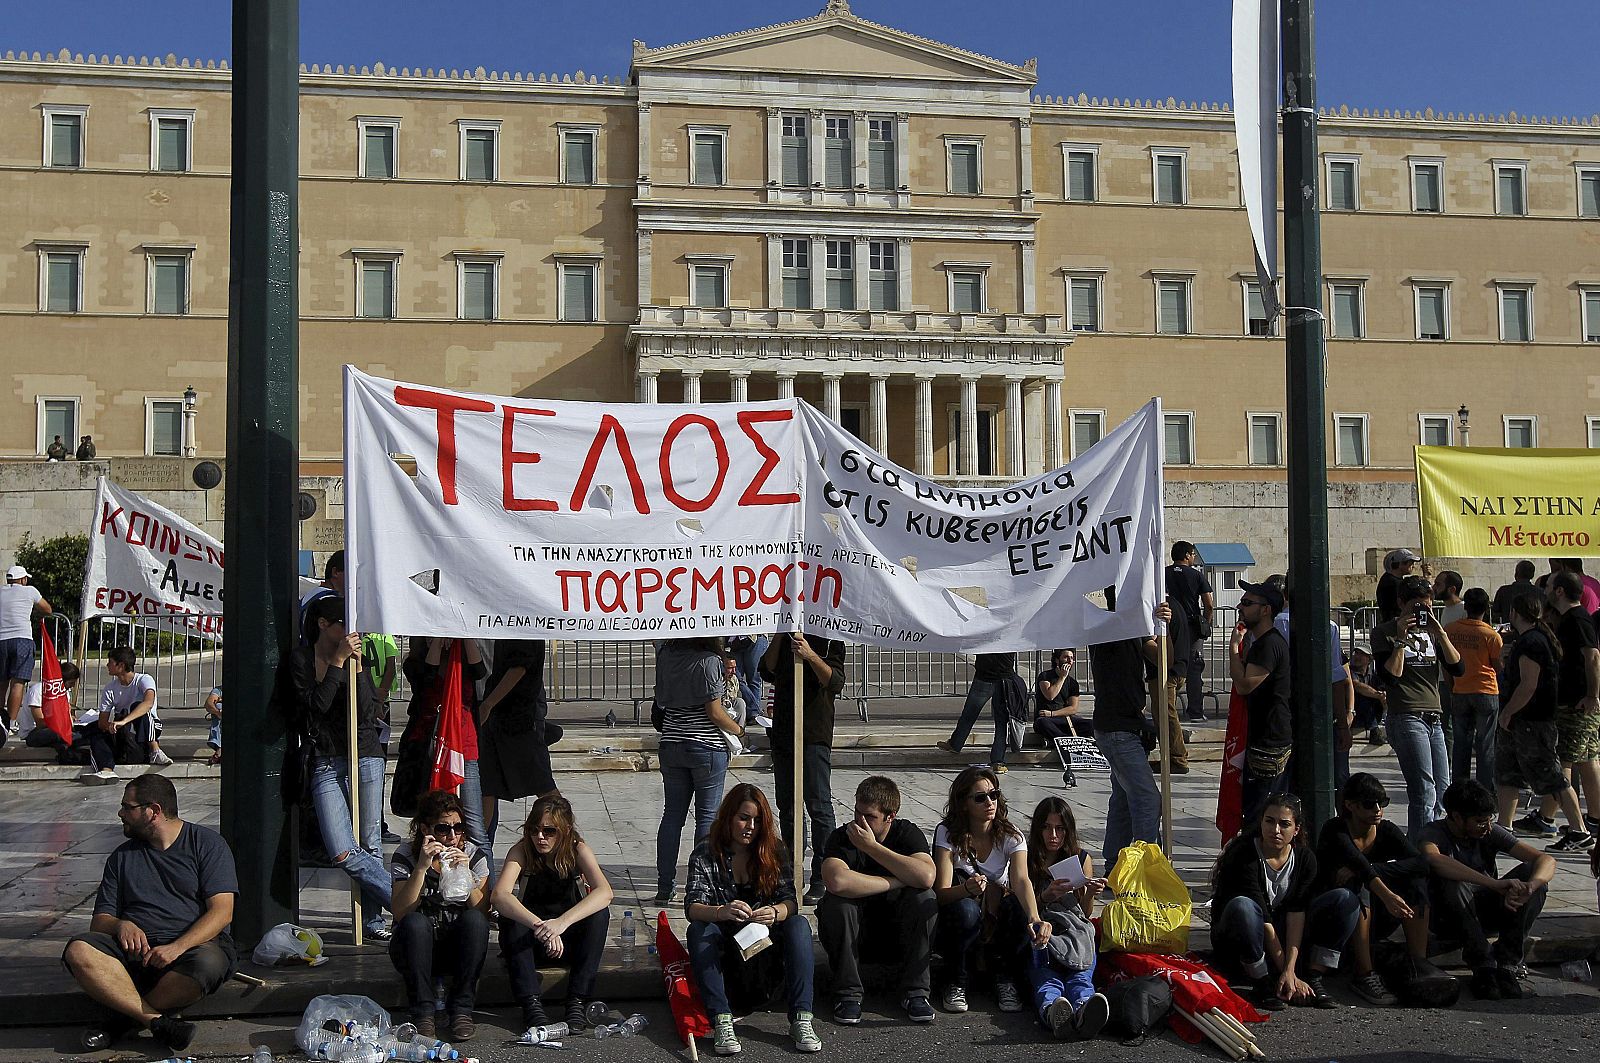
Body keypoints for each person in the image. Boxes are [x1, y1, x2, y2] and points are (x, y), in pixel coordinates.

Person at [62, 774, 238, 1053]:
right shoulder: (121, 857)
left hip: (188, 951)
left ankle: (120, 1021)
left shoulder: (207, 844)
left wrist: (176, 947)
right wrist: (121, 926)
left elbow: (222, 913)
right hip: (136, 954)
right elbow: (100, 922)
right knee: (79, 950)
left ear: (153, 811)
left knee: (209, 963)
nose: (121, 813)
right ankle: (155, 1020)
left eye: (127, 807)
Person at [685, 782, 821, 1055]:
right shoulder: (706, 850)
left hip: (764, 951)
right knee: (699, 930)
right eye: (743, 818)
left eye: (757, 821)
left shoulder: (773, 849)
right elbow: (692, 906)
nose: (750, 827)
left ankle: (802, 1018)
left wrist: (775, 912)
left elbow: (790, 900)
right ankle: (722, 1020)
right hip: (727, 953)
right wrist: (721, 911)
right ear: (729, 817)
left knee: (798, 924)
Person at [290, 593, 393, 940]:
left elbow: (366, 711)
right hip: (325, 757)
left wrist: (359, 667)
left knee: (370, 841)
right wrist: (335, 664)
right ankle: (408, 902)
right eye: (343, 624)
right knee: (343, 849)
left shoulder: (354, 659)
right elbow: (315, 708)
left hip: (363, 752)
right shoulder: (303, 659)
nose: (352, 632)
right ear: (324, 625)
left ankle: (373, 920)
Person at [1419, 780, 1556, 1000]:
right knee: (1453, 883)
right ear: (1456, 817)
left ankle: (1508, 964)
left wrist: (1531, 886)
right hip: (1448, 917)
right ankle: (1482, 965)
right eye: (1480, 821)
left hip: (1484, 913)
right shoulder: (1433, 833)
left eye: (1489, 820)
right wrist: (1493, 883)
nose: (1487, 827)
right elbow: (1434, 860)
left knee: (1533, 876)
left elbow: (1545, 860)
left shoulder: (1489, 832)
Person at [817, 775, 938, 1025]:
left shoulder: (907, 833)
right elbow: (837, 880)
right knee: (837, 904)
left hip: (897, 932)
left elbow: (926, 876)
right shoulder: (843, 837)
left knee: (925, 898)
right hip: (859, 935)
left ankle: (915, 993)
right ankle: (848, 994)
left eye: (870, 817)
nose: (860, 822)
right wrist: (897, 880)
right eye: (857, 812)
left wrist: (872, 848)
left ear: (889, 816)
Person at [931, 766, 1050, 1016]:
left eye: (994, 795)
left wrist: (1035, 918)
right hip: (961, 914)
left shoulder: (1011, 835)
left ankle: (1006, 979)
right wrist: (965, 889)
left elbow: (1021, 880)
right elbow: (941, 892)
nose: (990, 802)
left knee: (1019, 906)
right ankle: (956, 981)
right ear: (964, 803)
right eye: (980, 797)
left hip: (997, 912)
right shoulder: (947, 833)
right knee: (965, 910)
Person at [1209, 794, 1344, 1011]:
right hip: (1245, 935)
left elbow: (1297, 912)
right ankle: (1262, 981)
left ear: (1296, 829)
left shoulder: (1305, 859)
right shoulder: (1244, 854)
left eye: (1285, 824)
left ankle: (1314, 975)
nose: (1276, 830)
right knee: (1243, 906)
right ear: (1261, 822)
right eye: (1269, 821)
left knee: (1343, 900)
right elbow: (1264, 918)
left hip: (1283, 936)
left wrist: (1291, 971)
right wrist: (1287, 973)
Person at [493, 795, 613, 1032]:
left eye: (549, 831)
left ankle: (577, 1001)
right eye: (534, 830)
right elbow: (500, 895)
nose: (540, 837)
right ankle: (531, 1004)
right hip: (532, 941)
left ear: (565, 831)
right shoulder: (521, 851)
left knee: (600, 915)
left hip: (565, 938)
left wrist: (561, 924)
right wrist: (541, 926)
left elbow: (605, 892)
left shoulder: (577, 850)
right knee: (510, 917)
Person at [1312, 774, 1431, 1006]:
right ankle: (1364, 974)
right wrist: (1384, 891)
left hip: (1377, 915)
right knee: (1360, 885)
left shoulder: (1385, 830)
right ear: (1350, 805)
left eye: (1382, 803)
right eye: (1368, 804)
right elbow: (1358, 864)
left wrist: (1377, 870)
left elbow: (1421, 864)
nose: (1377, 810)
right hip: (1335, 919)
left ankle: (1420, 965)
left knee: (1415, 884)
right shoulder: (1335, 829)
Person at [389, 790, 491, 1042]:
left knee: (475, 922)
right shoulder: (406, 856)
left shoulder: (474, 855)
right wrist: (422, 867)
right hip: (415, 947)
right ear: (426, 829)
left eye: (458, 828)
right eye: (444, 829)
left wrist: (466, 875)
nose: (453, 837)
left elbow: (483, 912)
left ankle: (462, 1009)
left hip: (455, 948)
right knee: (414, 922)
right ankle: (423, 1011)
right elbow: (401, 912)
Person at [1370, 575, 1463, 835]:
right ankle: (1421, 849)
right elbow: (1390, 675)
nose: (1423, 612)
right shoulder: (1384, 632)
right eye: (1417, 607)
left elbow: (1457, 667)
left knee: (1443, 789)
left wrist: (1441, 633)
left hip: (1434, 717)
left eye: (1428, 606)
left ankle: (1434, 843)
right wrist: (1401, 639)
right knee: (1424, 790)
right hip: (1407, 715)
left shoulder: (1432, 634)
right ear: (1402, 603)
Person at [1498, 589, 1591, 849]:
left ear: (1515, 613)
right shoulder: (1532, 639)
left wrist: (1508, 712)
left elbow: (1529, 685)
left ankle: (1579, 831)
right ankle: (1503, 827)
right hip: (1524, 722)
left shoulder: (1533, 642)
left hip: (1532, 722)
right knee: (1509, 774)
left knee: (1552, 776)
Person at [654, 636, 744, 904]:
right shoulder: (709, 660)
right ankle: (700, 885)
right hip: (705, 745)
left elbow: (662, 701)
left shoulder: (667, 655)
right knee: (706, 819)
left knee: (672, 817)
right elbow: (715, 712)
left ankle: (664, 885)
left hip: (671, 742)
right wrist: (739, 729)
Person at [761, 632, 847, 904]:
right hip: (785, 731)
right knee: (787, 806)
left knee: (818, 804)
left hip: (813, 732)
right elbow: (767, 670)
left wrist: (810, 654)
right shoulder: (785, 636)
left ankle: (822, 873)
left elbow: (834, 681)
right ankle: (792, 868)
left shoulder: (831, 637)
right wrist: (778, 635)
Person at [1090, 594, 1169, 870]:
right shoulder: (1108, 627)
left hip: (1124, 727)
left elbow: (1163, 659)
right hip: (1116, 730)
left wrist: (1162, 627)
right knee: (1147, 798)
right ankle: (1145, 867)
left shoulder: (1133, 631)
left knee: (1124, 797)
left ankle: (1114, 863)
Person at [1023, 796, 1109, 1040]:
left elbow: (1085, 912)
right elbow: (1018, 906)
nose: (1053, 835)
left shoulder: (1081, 858)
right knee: (1046, 979)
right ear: (1038, 829)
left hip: (1073, 930)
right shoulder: (1027, 858)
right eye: (1047, 828)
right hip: (1042, 930)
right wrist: (1046, 896)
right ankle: (1052, 1011)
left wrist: (1090, 893)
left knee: (1081, 977)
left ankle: (1084, 1008)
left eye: (1060, 829)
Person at [402, 638, 490, 858]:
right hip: (431, 747)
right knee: (432, 821)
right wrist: (437, 640)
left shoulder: (463, 659)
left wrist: (462, 634)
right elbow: (427, 677)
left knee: (475, 827)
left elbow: (480, 670)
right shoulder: (414, 661)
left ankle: (485, 888)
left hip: (463, 747)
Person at [1536, 571, 1600, 851]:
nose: (1547, 590)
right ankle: (1594, 818)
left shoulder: (1578, 619)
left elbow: (1593, 657)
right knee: (1587, 759)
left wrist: (1592, 694)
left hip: (1576, 702)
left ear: (1559, 591)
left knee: (1562, 761)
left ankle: (1576, 829)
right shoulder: (1570, 619)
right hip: (1576, 700)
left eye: (1549, 586)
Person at [478, 638, 559, 856]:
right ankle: (478, 851)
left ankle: (568, 842)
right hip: (498, 721)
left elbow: (519, 667)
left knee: (543, 788)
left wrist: (488, 703)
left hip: (520, 721)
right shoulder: (507, 620)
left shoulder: (521, 621)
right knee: (487, 786)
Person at [1231, 580, 1292, 827]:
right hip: (1265, 736)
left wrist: (1234, 647)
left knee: (1259, 814)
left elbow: (1244, 685)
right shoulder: (1263, 643)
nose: (1240, 607)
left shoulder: (1268, 644)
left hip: (1269, 741)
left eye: (1247, 603)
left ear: (1265, 609)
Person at [1444, 588, 1501, 788]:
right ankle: (1486, 790)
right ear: (1487, 608)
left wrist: (1452, 686)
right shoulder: (1491, 635)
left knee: (1461, 743)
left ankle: (1460, 788)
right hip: (1486, 690)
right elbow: (1497, 665)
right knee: (1486, 744)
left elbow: (1447, 664)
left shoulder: (1450, 630)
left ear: (1465, 607)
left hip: (1460, 689)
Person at [83, 646, 168, 778]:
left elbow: (149, 703)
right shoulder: (110, 688)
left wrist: (124, 721)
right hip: (125, 732)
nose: (107, 665)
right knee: (96, 732)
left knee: (138, 706)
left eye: (110, 662)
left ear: (121, 665)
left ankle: (155, 750)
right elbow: (102, 721)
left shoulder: (144, 679)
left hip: (149, 726)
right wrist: (111, 726)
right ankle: (106, 769)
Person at [938, 650, 1019, 772]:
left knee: (970, 714)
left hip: (986, 675)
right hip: (1002, 677)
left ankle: (956, 743)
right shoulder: (1010, 632)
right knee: (1001, 723)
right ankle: (998, 761)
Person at [1165, 541, 1215, 723]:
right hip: (1191, 627)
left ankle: (1167, 708)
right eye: (1193, 554)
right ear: (1187, 555)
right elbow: (1209, 604)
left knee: (1168, 667)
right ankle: (1195, 711)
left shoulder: (1163, 573)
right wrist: (1206, 625)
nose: (1194, 557)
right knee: (1194, 668)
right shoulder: (1196, 575)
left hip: (1169, 625)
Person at [1, 564, 51, 734]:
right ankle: (11, 722)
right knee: (18, 683)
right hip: (22, 638)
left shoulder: (0, 592)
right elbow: (47, 609)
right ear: (22, 579)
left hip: (1, 640)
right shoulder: (30, 591)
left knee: (2, 684)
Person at [15, 660, 82, 759]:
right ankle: (77, 738)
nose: (72, 686)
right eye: (71, 683)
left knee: (82, 729)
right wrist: (61, 722)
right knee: (60, 734)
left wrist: (70, 718)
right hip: (33, 732)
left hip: (56, 729)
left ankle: (74, 741)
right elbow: (40, 722)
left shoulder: (64, 693)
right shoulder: (38, 690)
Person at [1034, 648, 1091, 741]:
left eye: (1072, 658)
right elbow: (1050, 696)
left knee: (1091, 724)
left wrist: (1053, 714)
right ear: (1057, 660)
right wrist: (1062, 677)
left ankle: (1063, 739)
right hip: (1046, 719)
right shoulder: (1045, 676)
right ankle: (1066, 740)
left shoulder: (1073, 683)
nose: (1070, 661)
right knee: (1042, 723)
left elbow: (1073, 708)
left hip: (1062, 718)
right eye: (1066, 657)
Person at [1348, 647, 1388, 745]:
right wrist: (1378, 695)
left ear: (1370, 659)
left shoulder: (1374, 676)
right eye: (1356, 653)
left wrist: (1383, 696)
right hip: (1353, 714)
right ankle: (1374, 731)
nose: (1357, 656)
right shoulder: (1348, 672)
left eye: (1361, 654)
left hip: (1370, 715)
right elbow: (1357, 686)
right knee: (1364, 698)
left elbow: (1383, 691)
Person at [1376, 548, 1422, 621]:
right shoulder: (1390, 582)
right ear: (1401, 564)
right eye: (1411, 563)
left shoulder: (1392, 579)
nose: (1413, 566)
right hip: (1395, 622)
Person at [1491, 560, 1543, 625]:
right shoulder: (1540, 592)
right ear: (1532, 575)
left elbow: (1495, 614)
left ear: (1516, 574)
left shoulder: (1503, 591)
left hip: (1508, 630)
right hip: (1533, 629)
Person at [202, 685, 223, 766]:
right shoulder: (219, 690)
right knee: (217, 707)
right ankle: (220, 749)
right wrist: (219, 712)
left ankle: (220, 750)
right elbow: (209, 703)